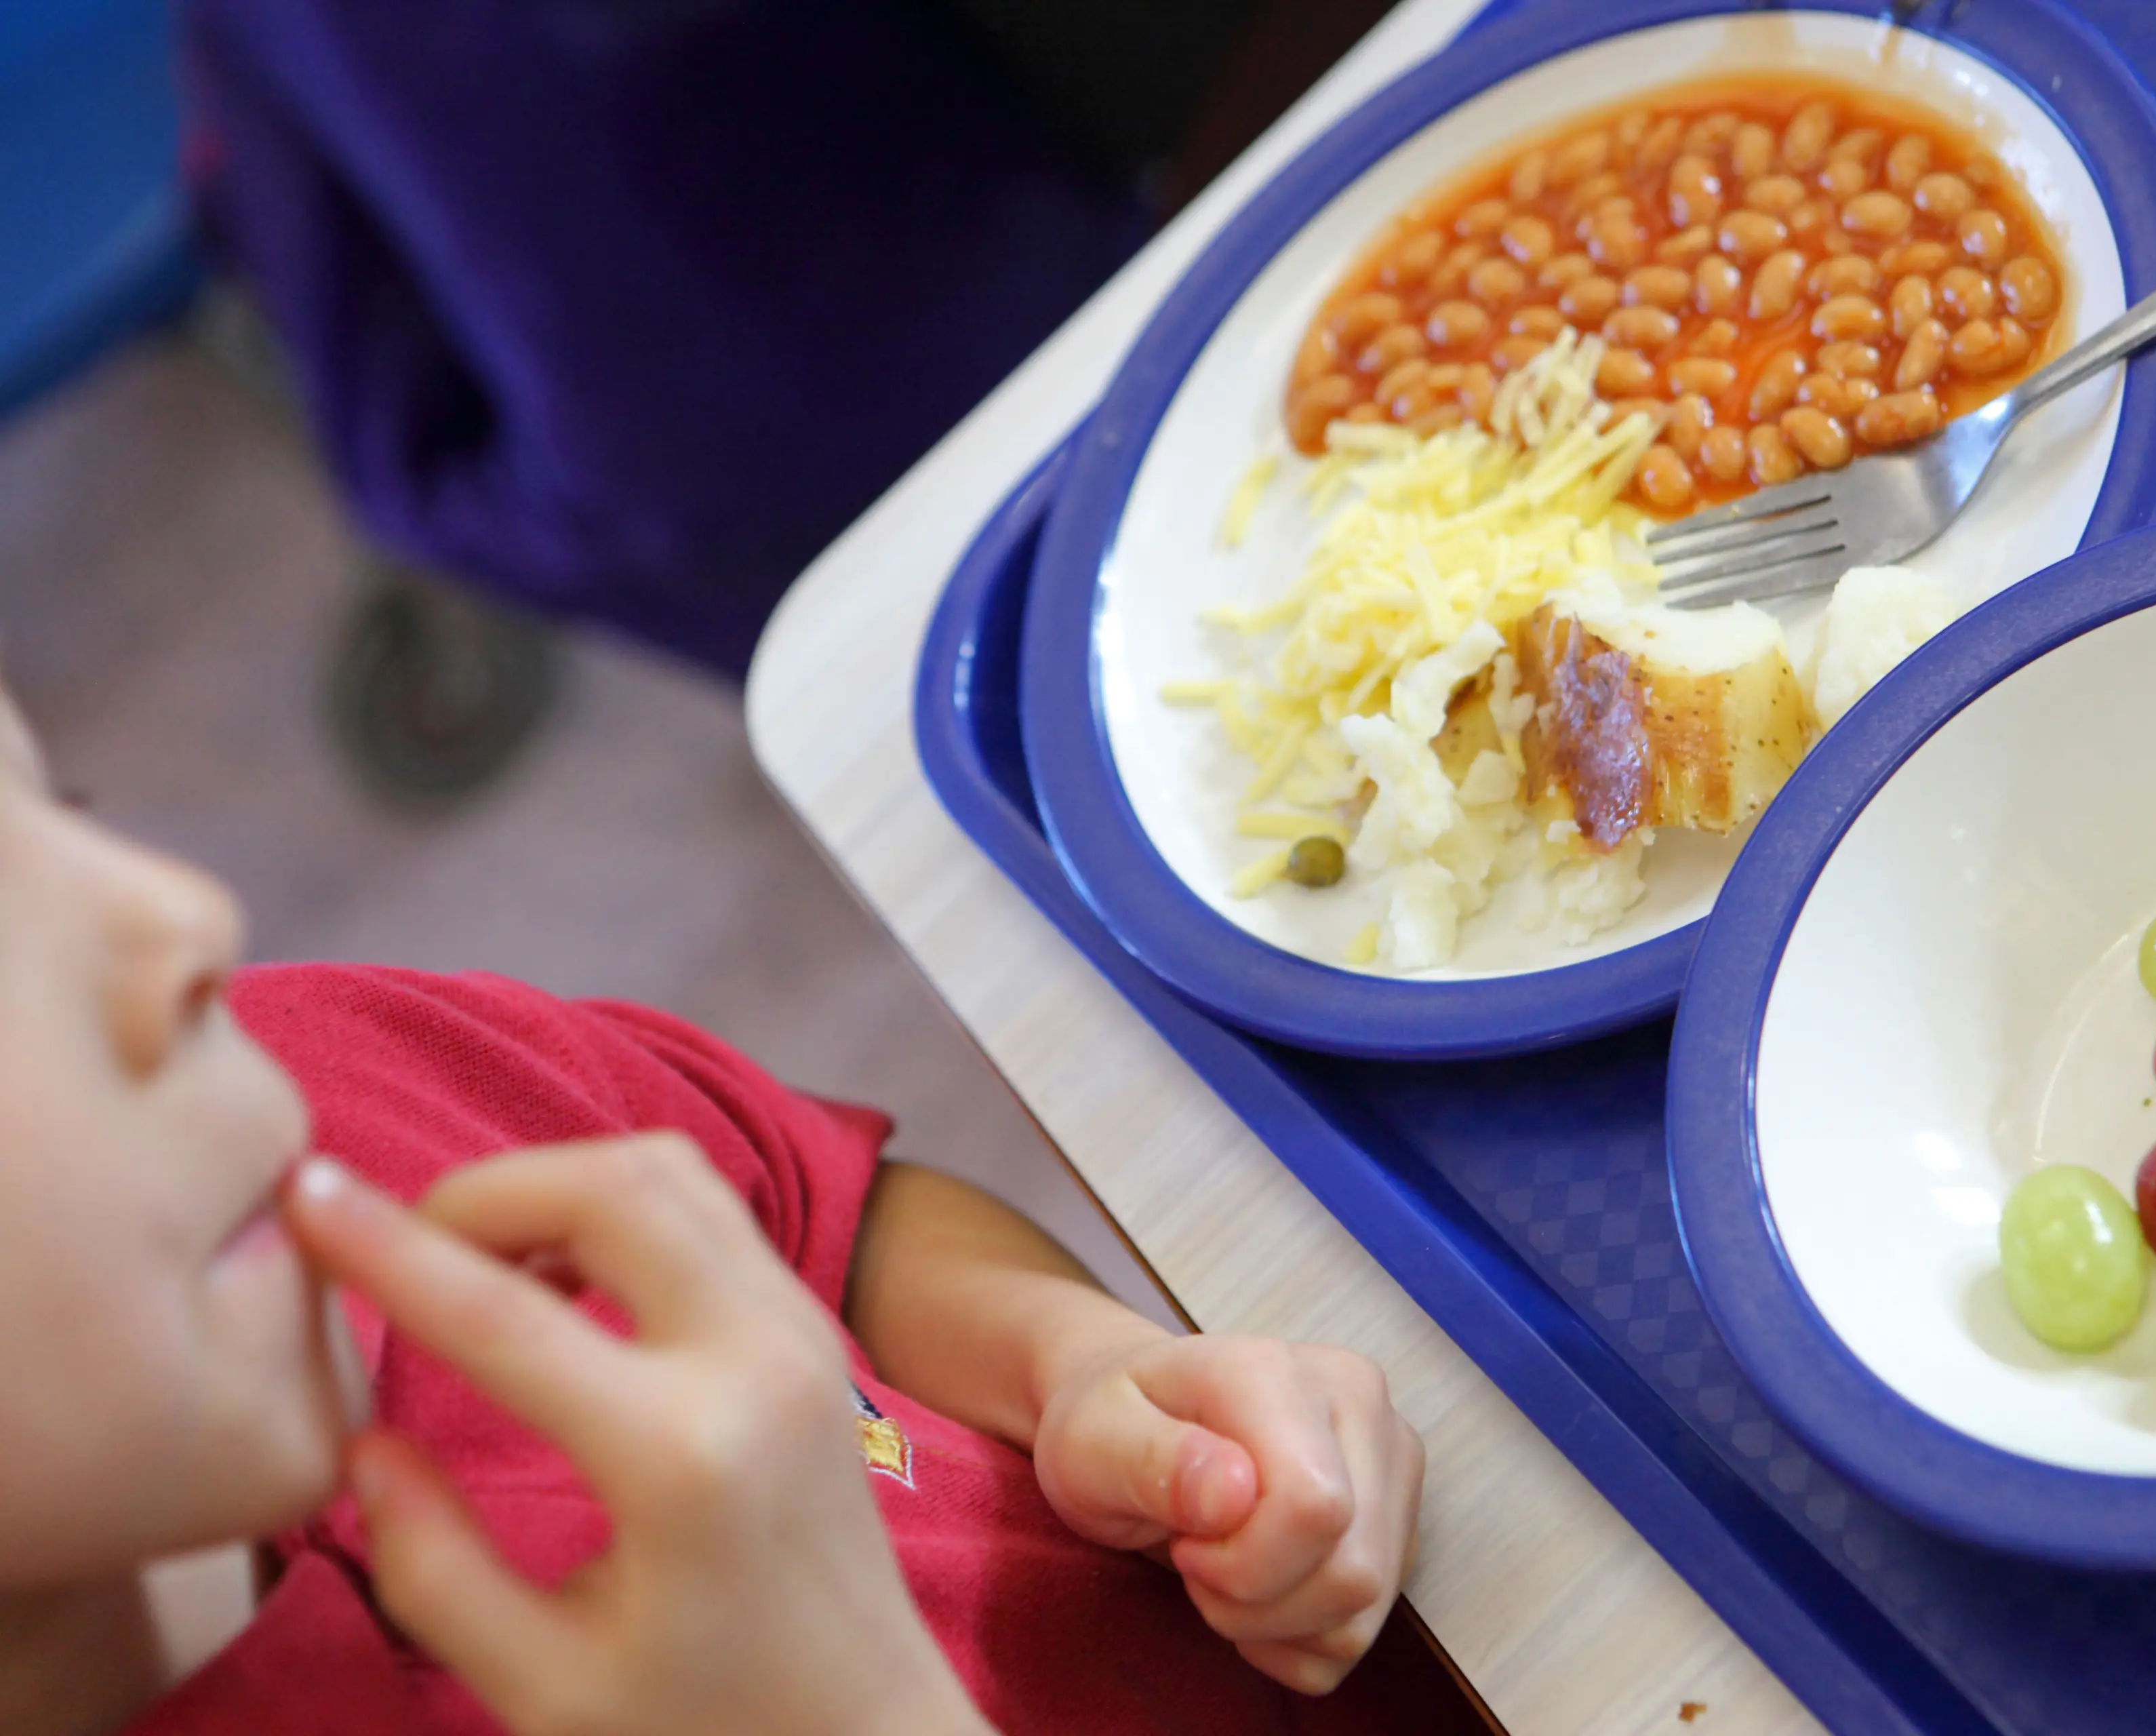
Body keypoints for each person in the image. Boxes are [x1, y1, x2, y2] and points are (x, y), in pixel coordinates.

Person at [0, 682, 1468, 1735]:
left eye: (54, 811)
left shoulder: (343, 1080)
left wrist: (1070, 1364)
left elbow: (842, 1225)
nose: (179, 912)